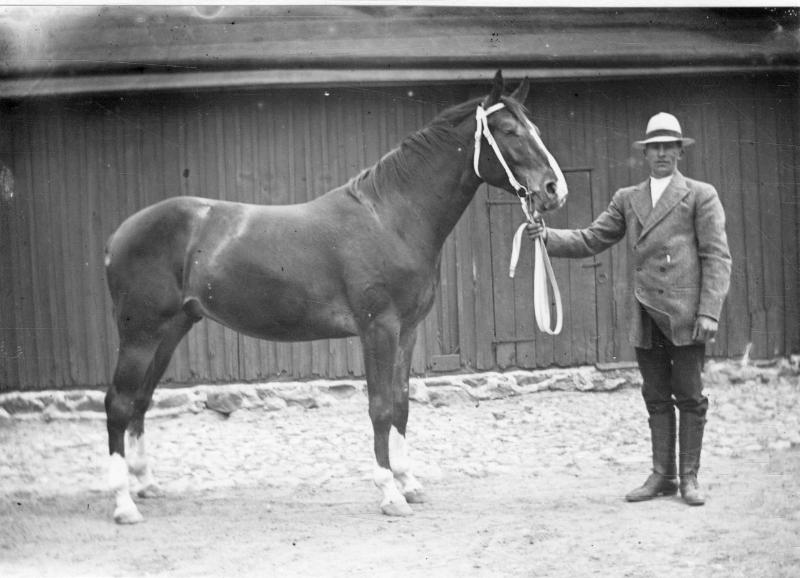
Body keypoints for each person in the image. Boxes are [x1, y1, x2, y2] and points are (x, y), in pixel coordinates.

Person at [527, 112, 731, 506]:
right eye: (655, 147)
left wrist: (709, 311)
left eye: (669, 146)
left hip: (686, 314)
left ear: (679, 152)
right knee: (655, 396)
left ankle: (689, 478)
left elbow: (717, 257)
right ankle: (662, 476)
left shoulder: (700, 195)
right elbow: (591, 238)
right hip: (645, 313)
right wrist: (547, 237)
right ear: (645, 153)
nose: (662, 154)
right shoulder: (628, 198)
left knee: (689, 395)